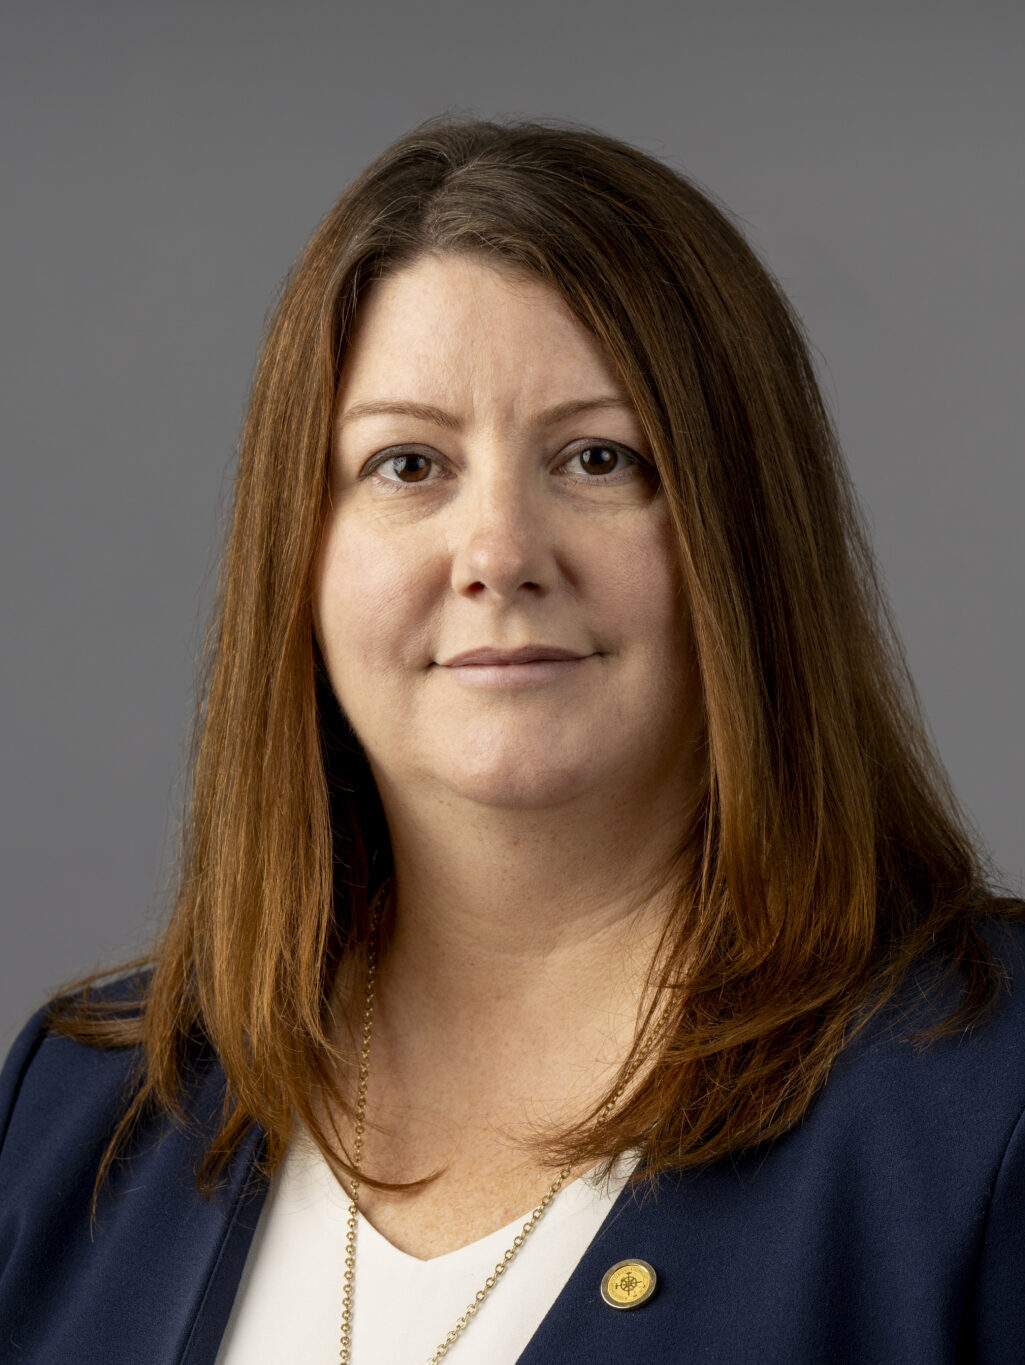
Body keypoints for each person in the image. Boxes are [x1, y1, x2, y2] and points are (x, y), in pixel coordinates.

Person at [1, 114, 1022, 1365]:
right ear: (298, 556)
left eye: (597, 458)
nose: (496, 555)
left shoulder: (988, 1101)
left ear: (746, 535)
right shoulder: (84, 1106)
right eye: (406, 464)